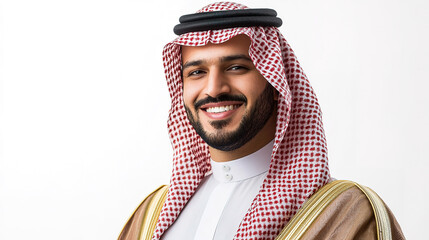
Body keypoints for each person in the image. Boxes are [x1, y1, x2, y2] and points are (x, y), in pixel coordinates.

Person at [119, 2, 405, 240]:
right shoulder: (150, 215)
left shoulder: (346, 213)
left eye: (236, 67)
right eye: (196, 72)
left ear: (276, 81)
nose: (214, 88)